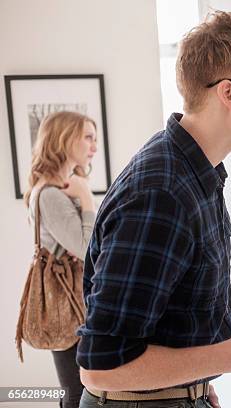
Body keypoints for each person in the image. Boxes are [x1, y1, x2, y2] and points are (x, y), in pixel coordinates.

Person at [76, 11, 231, 408]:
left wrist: (195, 384)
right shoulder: (162, 191)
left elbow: (169, 319)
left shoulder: (197, 171)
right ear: (229, 93)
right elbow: (101, 367)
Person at [23, 111, 98, 408]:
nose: (94, 145)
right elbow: (87, 249)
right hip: (69, 303)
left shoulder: (59, 188)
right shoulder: (51, 194)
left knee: (78, 388)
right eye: (88, 137)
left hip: (76, 301)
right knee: (77, 391)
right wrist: (87, 199)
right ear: (64, 139)